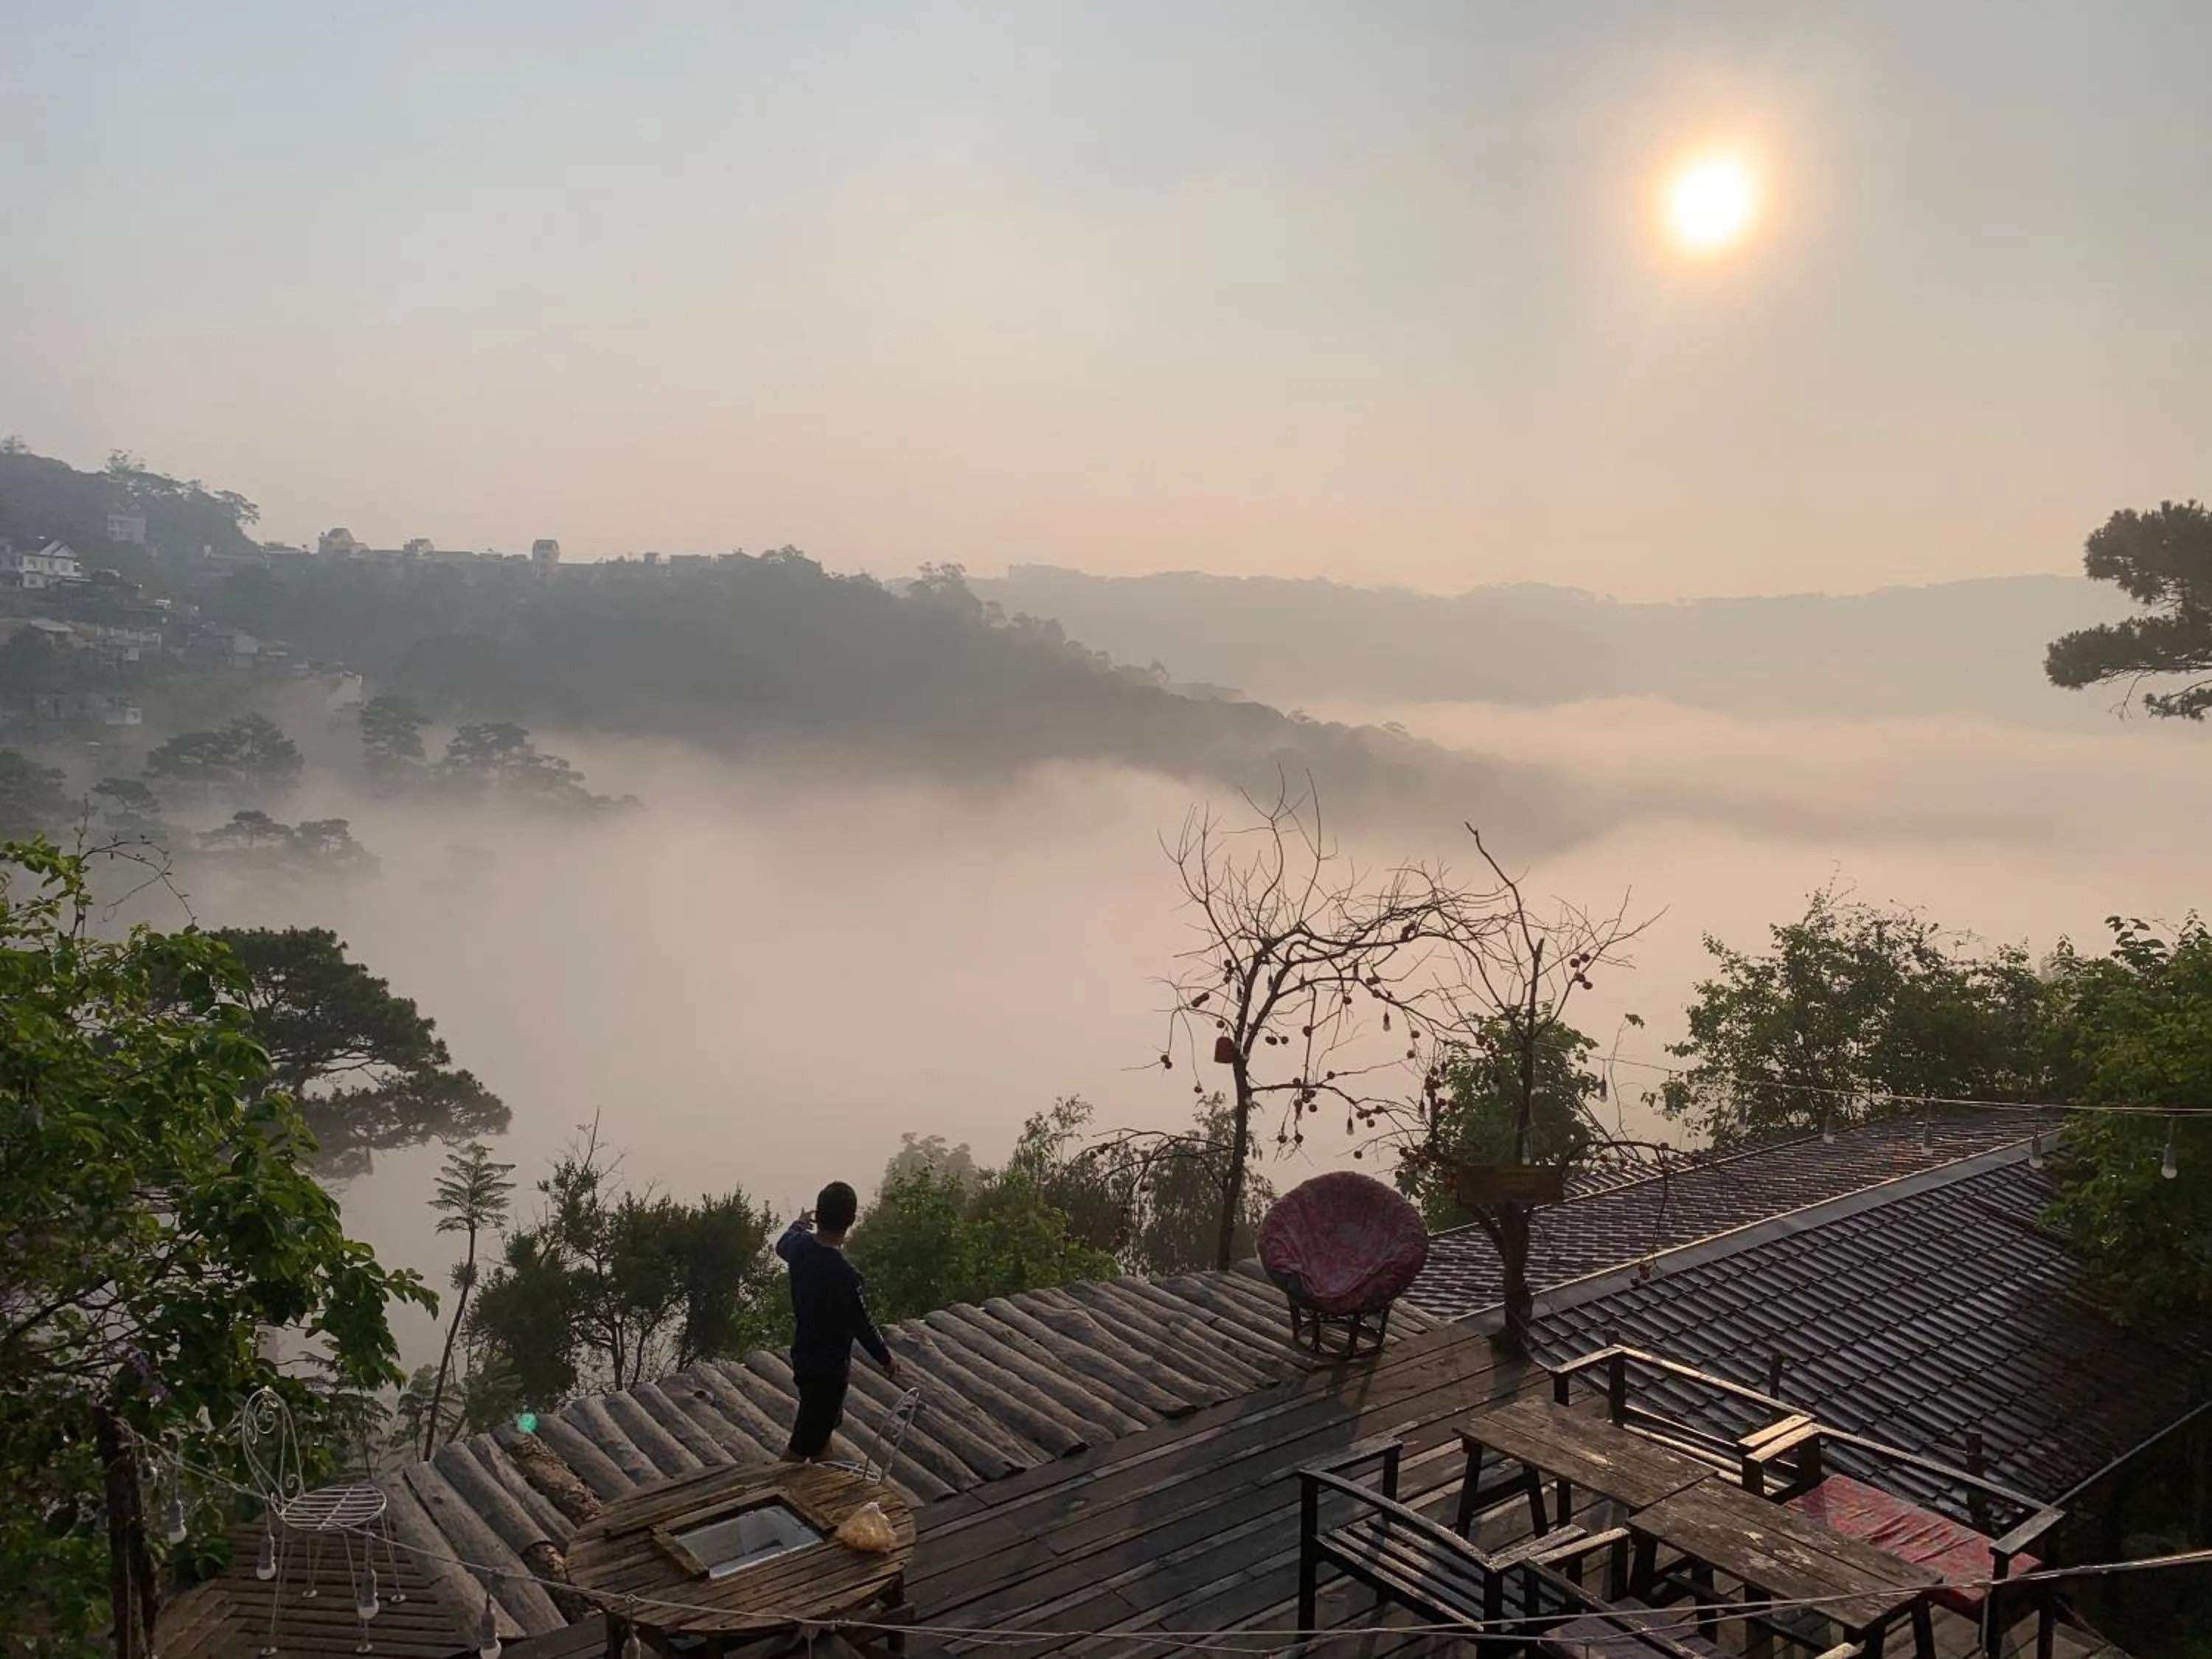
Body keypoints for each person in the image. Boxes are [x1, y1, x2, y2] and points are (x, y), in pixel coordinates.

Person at [776, 1180, 900, 1461]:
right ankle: (770, 1497)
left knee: (820, 1434)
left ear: (818, 1215)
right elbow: (863, 1325)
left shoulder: (800, 1248)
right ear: (851, 1221)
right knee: (800, 1448)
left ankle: (830, 1486)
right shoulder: (845, 1275)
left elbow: (782, 1245)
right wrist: (886, 1359)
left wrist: (798, 1224)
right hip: (829, 1371)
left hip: (804, 1355)